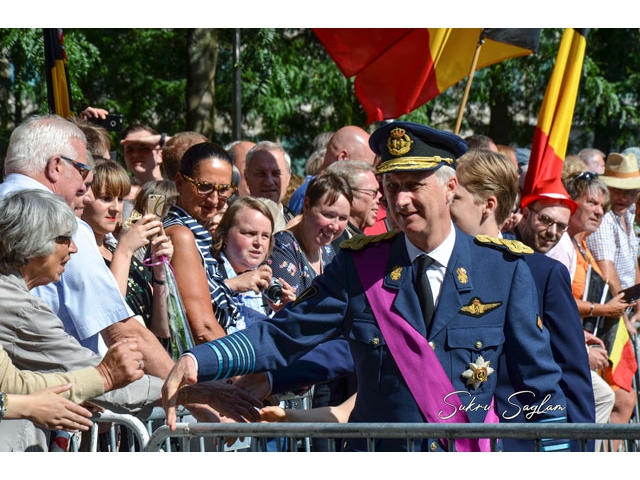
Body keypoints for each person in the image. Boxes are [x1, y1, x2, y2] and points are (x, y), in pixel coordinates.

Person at [162, 121, 569, 452]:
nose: (402, 200)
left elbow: (538, 386)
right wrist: (202, 360)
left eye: (414, 184)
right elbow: (286, 333)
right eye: (392, 187)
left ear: (450, 188)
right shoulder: (360, 266)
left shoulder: (502, 269)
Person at [0, 115, 174, 378]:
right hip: (57, 398)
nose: (86, 191)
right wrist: (193, 394)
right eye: (83, 172)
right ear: (56, 166)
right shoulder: (64, 224)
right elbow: (121, 332)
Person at [450, 150, 595, 452]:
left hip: (513, 436)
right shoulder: (438, 266)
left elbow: (570, 368)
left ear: (488, 205)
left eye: (454, 198)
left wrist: (579, 450)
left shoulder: (542, 273)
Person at [0, 189, 161, 451]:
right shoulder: (18, 307)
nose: (74, 248)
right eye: (65, 239)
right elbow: (18, 385)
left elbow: (14, 384)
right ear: (31, 244)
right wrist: (182, 392)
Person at [564, 171, 637, 451]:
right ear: (572, 202)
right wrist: (604, 309)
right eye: (592, 203)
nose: (599, 211)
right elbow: (557, 304)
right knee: (612, 398)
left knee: (623, 399)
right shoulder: (563, 246)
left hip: (591, 335)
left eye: (601, 206)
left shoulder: (582, 244)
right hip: (573, 341)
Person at [82, 159, 173, 343]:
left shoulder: (114, 247)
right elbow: (111, 317)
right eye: (106, 198)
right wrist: (125, 248)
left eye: (121, 199)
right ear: (84, 198)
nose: (115, 207)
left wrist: (159, 270)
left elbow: (162, 328)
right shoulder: (79, 254)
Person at [163, 142, 236, 342]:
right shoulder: (181, 235)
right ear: (179, 182)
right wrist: (246, 372)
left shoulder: (198, 231)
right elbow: (203, 328)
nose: (214, 199)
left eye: (223, 190)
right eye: (204, 187)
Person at [210, 196, 295, 333]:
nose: (258, 243)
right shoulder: (207, 269)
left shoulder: (269, 285)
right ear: (224, 234)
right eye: (249, 233)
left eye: (265, 236)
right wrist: (231, 285)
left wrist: (285, 314)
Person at [268, 170, 352, 296]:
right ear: (306, 206)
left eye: (343, 218)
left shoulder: (327, 249)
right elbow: (289, 309)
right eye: (328, 215)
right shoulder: (282, 247)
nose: (335, 226)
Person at [586, 152, 640, 331]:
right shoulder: (603, 219)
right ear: (606, 188)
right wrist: (624, 318)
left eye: (631, 193)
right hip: (608, 310)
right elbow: (607, 273)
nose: (624, 198)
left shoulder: (630, 211)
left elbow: (633, 262)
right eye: (618, 191)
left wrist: (638, 300)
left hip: (625, 306)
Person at [287, 125, 376, 215]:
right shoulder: (310, 194)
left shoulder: (333, 192)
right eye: (365, 167)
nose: (369, 175)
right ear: (343, 157)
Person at [326, 160, 382, 250]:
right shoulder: (331, 241)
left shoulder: (353, 239)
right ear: (347, 194)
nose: (380, 197)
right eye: (374, 192)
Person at [244, 141, 295, 224]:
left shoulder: (298, 227)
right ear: (246, 177)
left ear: (289, 177)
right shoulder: (233, 223)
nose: (269, 182)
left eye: (276, 174)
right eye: (261, 174)